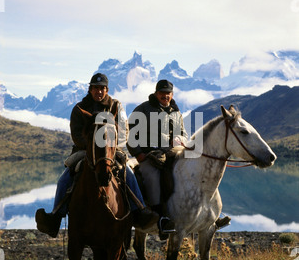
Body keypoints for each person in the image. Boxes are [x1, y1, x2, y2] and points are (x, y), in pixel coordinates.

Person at [35, 73, 159, 238]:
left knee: (129, 174)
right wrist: (93, 146)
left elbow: (123, 132)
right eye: (95, 88)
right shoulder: (80, 108)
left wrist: (110, 147)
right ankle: (55, 216)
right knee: (65, 177)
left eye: (102, 89)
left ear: (107, 90)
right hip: (85, 151)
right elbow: (76, 134)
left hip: (111, 151)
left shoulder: (116, 107)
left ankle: (140, 211)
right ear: (90, 89)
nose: (99, 92)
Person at [127, 79, 230, 232]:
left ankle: (212, 213)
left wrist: (180, 139)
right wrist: (140, 154)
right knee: (152, 176)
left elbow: (183, 132)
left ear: (172, 94)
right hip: (149, 155)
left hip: (172, 151)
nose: (165, 96)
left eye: (168, 93)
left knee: (196, 169)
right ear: (156, 93)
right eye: (162, 93)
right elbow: (130, 135)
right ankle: (160, 216)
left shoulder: (175, 111)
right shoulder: (142, 109)